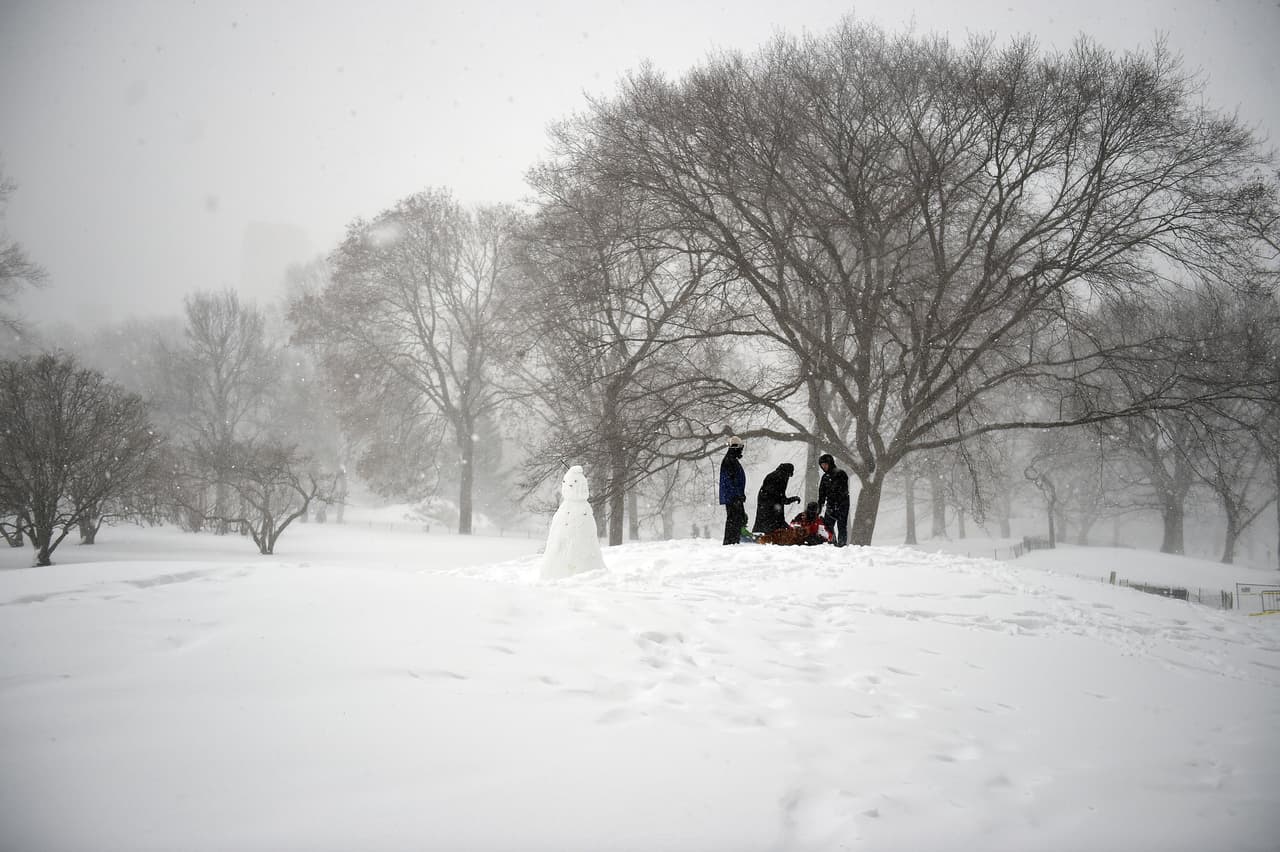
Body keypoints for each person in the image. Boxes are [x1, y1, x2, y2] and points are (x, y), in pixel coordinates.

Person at [751, 462, 800, 534]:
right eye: (789, 475)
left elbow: (779, 496)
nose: (789, 477)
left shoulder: (773, 474)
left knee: (762, 523)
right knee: (774, 526)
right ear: (788, 472)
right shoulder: (782, 476)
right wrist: (793, 499)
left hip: (764, 505)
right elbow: (781, 498)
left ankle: (758, 535)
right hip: (772, 507)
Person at [718, 436, 748, 545]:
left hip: (734, 496)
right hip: (733, 497)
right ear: (736, 447)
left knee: (737, 518)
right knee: (734, 519)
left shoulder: (731, 460)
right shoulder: (729, 461)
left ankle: (733, 541)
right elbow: (729, 481)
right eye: (741, 448)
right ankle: (731, 542)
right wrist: (737, 495)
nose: (741, 450)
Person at [817, 453, 850, 546]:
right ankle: (832, 542)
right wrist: (820, 506)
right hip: (830, 504)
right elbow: (821, 493)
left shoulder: (841, 474)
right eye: (822, 465)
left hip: (842, 504)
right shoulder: (824, 477)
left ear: (830, 463)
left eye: (825, 464)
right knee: (827, 525)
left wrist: (838, 503)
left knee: (841, 525)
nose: (824, 467)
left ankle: (842, 544)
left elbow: (843, 491)